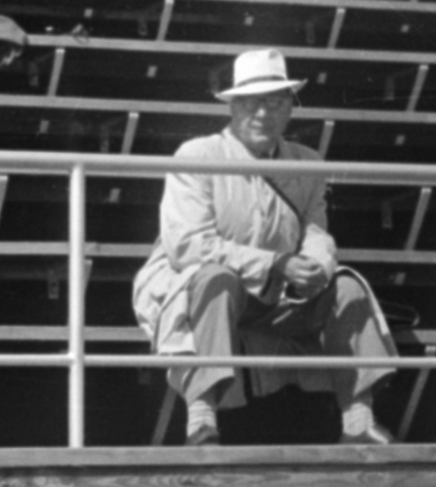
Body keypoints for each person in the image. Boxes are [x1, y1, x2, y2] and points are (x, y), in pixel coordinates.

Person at [132, 48, 396, 448]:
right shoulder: (198, 155)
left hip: (278, 295)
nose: (263, 113)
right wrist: (275, 263)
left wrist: (317, 266)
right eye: (251, 103)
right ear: (233, 107)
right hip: (202, 290)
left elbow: (316, 230)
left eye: (275, 102)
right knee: (215, 279)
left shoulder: (307, 161)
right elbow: (186, 247)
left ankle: (358, 417)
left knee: (346, 286)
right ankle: (201, 420)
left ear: (290, 108)